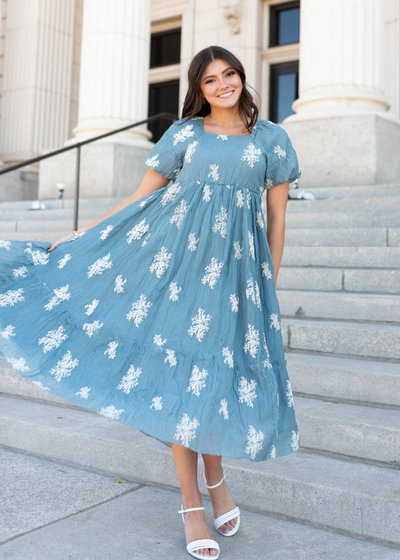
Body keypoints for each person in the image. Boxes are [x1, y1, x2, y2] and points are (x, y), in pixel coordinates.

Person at [0, 45, 302, 559]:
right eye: (211, 80)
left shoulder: (272, 138)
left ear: (242, 77)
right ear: (198, 89)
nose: (223, 84)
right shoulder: (184, 134)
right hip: (175, 271)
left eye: (229, 74)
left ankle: (217, 481)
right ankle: (193, 501)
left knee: (213, 381)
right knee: (183, 383)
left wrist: (267, 283)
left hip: (236, 280)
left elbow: (277, 220)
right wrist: (84, 232)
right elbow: (142, 197)